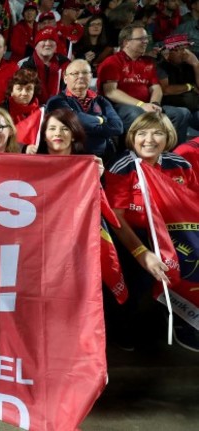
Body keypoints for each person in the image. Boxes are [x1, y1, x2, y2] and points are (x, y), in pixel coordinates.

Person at [105, 112, 199, 350]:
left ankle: (182, 322)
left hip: (173, 235)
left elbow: (192, 205)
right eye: (142, 133)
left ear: (168, 138)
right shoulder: (123, 165)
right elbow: (116, 219)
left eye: (157, 133)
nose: (149, 139)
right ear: (132, 137)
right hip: (132, 237)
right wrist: (142, 253)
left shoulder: (180, 165)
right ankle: (124, 330)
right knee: (138, 279)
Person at [98, 24, 192, 143]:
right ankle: (134, 155)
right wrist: (141, 105)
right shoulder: (112, 62)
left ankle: (172, 155)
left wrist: (155, 103)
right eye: (141, 39)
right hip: (118, 107)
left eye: (146, 38)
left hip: (146, 106)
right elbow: (111, 92)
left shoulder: (148, 62)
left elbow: (156, 87)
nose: (146, 42)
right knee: (136, 113)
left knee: (182, 113)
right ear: (126, 42)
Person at [46, 59, 123, 159]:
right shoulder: (56, 101)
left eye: (85, 73)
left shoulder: (101, 100)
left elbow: (118, 127)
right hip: (70, 157)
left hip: (102, 157)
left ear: (91, 77)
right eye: (75, 73)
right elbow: (75, 121)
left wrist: (84, 126)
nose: (81, 76)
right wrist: (101, 119)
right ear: (65, 78)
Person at [157, 34, 199, 131]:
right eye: (179, 50)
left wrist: (196, 65)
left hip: (194, 109)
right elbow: (166, 90)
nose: (184, 53)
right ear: (167, 53)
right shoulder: (161, 66)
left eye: (185, 49)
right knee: (183, 113)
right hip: (173, 109)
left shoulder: (190, 63)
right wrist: (190, 86)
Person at [19, 26, 70, 103]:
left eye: (51, 40)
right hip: (32, 107)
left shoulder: (66, 64)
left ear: (56, 46)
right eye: (44, 40)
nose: (48, 43)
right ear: (35, 46)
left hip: (61, 108)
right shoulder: (25, 65)